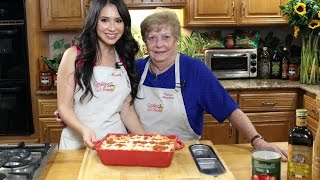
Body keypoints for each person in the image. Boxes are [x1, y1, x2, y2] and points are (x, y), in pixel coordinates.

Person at [56, 9, 288, 161]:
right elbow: (114, 101)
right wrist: (71, 110)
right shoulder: (134, 68)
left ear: (176, 39)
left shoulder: (195, 71)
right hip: (139, 151)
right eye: (152, 38)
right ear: (145, 41)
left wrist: (258, 140)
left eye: (166, 37)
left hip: (183, 154)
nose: (159, 45)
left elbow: (229, 108)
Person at [56, 0, 144, 150]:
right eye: (104, 20)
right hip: (77, 145)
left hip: (116, 145)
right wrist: (83, 130)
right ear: (94, 22)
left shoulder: (123, 58)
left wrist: (145, 139)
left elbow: (126, 109)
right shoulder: (73, 55)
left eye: (118, 20)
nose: (112, 28)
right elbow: (64, 108)